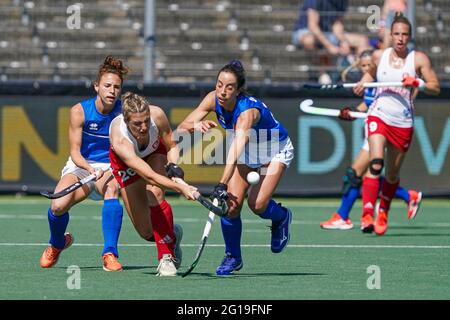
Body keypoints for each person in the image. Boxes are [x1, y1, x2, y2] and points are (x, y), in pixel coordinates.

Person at [177, 60, 294, 276]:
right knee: (231, 207)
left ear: (238, 90)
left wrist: (221, 184)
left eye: (229, 87)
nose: (222, 91)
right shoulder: (212, 99)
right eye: (219, 84)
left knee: (257, 204)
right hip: (249, 154)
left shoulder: (246, 113)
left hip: (274, 153)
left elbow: (234, 152)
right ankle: (233, 257)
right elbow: (182, 127)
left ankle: (281, 217)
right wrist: (196, 125)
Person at [353, 13, 440, 236]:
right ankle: (366, 214)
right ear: (390, 35)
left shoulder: (418, 59)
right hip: (379, 114)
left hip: (402, 121)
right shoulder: (379, 55)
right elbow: (370, 74)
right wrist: (363, 84)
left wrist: (417, 82)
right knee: (375, 163)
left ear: (409, 36)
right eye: (397, 34)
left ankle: (384, 210)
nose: (400, 38)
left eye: (404, 34)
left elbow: (435, 87)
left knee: (392, 174)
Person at [40, 56, 128, 272]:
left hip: (111, 167)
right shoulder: (79, 111)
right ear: (96, 86)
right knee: (58, 205)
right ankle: (57, 243)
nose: (112, 91)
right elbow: (75, 152)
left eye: (117, 87)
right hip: (82, 167)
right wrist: (90, 169)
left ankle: (109, 254)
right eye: (107, 86)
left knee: (111, 190)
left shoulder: (125, 112)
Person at [320, 49, 423, 231]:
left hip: (386, 126)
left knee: (356, 174)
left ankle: (344, 216)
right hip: (374, 128)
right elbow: (365, 106)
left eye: (370, 65)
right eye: (364, 66)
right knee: (364, 174)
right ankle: (407, 197)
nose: (367, 69)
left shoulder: (384, 80)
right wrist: (350, 113)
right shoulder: (368, 83)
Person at [109, 91, 198, 276]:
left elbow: (172, 145)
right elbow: (148, 175)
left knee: (154, 194)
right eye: (137, 123)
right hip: (127, 165)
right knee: (147, 232)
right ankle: (172, 234)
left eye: (146, 121)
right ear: (126, 122)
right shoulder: (120, 139)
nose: (143, 127)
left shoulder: (157, 115)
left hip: (155, 154)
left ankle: (166, 257)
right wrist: (181, 187)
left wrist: (173, 165)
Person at [292, 0, 370, 57]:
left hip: (327, 33)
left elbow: (337, 25)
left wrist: (343, 42)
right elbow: (313, 26)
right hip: (305, 31)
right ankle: (320, 73)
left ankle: (359, 74)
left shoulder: (342, 1)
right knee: (309, 40)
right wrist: (329, 46)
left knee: (362, 40)